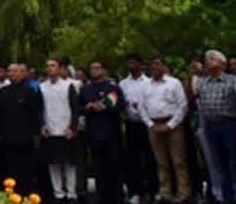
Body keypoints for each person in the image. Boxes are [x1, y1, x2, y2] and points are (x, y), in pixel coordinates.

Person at [193, 50, 236, 204]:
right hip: (211, 127)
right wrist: (193, 74)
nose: (207, 61)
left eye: (212, 59)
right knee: (220, 164)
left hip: (229, 125)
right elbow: (192, 97)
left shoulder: (232, 80)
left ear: (222, 63)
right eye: (207, 59)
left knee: (235, 162)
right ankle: (227, 198)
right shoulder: (202, 82)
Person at [142, 56, 189, 203]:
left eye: (157, 64)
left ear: (163, 66)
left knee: (178, 160)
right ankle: (165, 193)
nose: (154, 67)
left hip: (173, 125)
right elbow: (142, 108)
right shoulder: (145, 85)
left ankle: (184, 193)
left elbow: (183, 106)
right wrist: (150, 124)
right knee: (161, 162)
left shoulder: (174, 83)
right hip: (154, 125)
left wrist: (170, 125)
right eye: (152, 65)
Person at [77, 61, 124, 204]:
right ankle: (101, 196)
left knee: (114, 166)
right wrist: (89, 106)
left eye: (97, 68)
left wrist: (105, 106)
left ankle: (117, 196)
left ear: (103, 70)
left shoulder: (113, 87)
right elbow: (78, 108)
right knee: (98, 167)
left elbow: (121, 105)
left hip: (111, 132)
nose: (95, 70)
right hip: (93, 133)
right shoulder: (85, 89)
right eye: (92, 68)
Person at [0, 64, 41, 195]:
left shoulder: (29, 91)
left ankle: (25, 194)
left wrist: (35, 133)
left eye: (15, 71)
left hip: (25, 138)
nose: (12, 73)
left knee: (25, 168)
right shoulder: (2, 91)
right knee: (9, 167)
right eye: (9, 71)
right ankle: (10, 193)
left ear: (21, 74)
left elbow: (34, 113)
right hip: (7, 137)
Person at [39, 59, 79, 204]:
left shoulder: (69, 85)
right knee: (53, 164)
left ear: (60, 68)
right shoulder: (42, 87)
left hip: (66, 131)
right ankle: (58, 193)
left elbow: (76, 109)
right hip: (50, 131)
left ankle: (72, 193)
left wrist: (73, 128)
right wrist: (42, 125)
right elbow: (39, 109)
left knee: (69, 164)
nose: (49, 68)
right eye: (47, 66)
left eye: (53, 65)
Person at [120, 55, 159, 204]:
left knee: (151, 158)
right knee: (133, 159)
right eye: (129, 62)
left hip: (147, 124)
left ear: (141, 65)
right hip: (131, 124)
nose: (131, 64)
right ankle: (135, 191)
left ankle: (154, 190)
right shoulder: (123, 83)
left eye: (134, 62)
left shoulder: (149, 82)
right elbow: (120, 102)